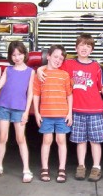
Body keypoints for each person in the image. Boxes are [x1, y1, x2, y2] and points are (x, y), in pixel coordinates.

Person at [38, 33, 103, 182]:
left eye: (88, 46)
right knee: (81, 141)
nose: (84, 48)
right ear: (76, 48)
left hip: (95, 109)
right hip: (76, 110)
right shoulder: (69, 64)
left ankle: (96, 167)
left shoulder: (96, 66)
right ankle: (81, 166)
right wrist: (40, 69)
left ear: (92, 50)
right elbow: (53, 64)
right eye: (82, 45)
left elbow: (101, 85)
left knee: (95, 141)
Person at [0, 41, 35, 183]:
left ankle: (26, 170)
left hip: (20, 109)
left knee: (21, 139)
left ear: (24, 54)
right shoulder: (8, 70)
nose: (17, 57)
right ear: (10, 56)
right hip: (4, 107)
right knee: (2, 137)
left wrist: (26, 112)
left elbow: (31, 93)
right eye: (13, 55)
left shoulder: (30, 72)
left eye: (19, 54)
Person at [33, 45, 73, 183]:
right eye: (55, 56)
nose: (58, 60)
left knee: (61, 141)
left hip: (62, 114)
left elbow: (69, 95)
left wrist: (70, 113)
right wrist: (37, 113)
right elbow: (36, 94)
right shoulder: (41, 74)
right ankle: (45, 168)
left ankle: (62, 169)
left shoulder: (64, 75)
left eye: (61, 59)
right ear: (48, 56)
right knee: (47, 141)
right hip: (46, 114)